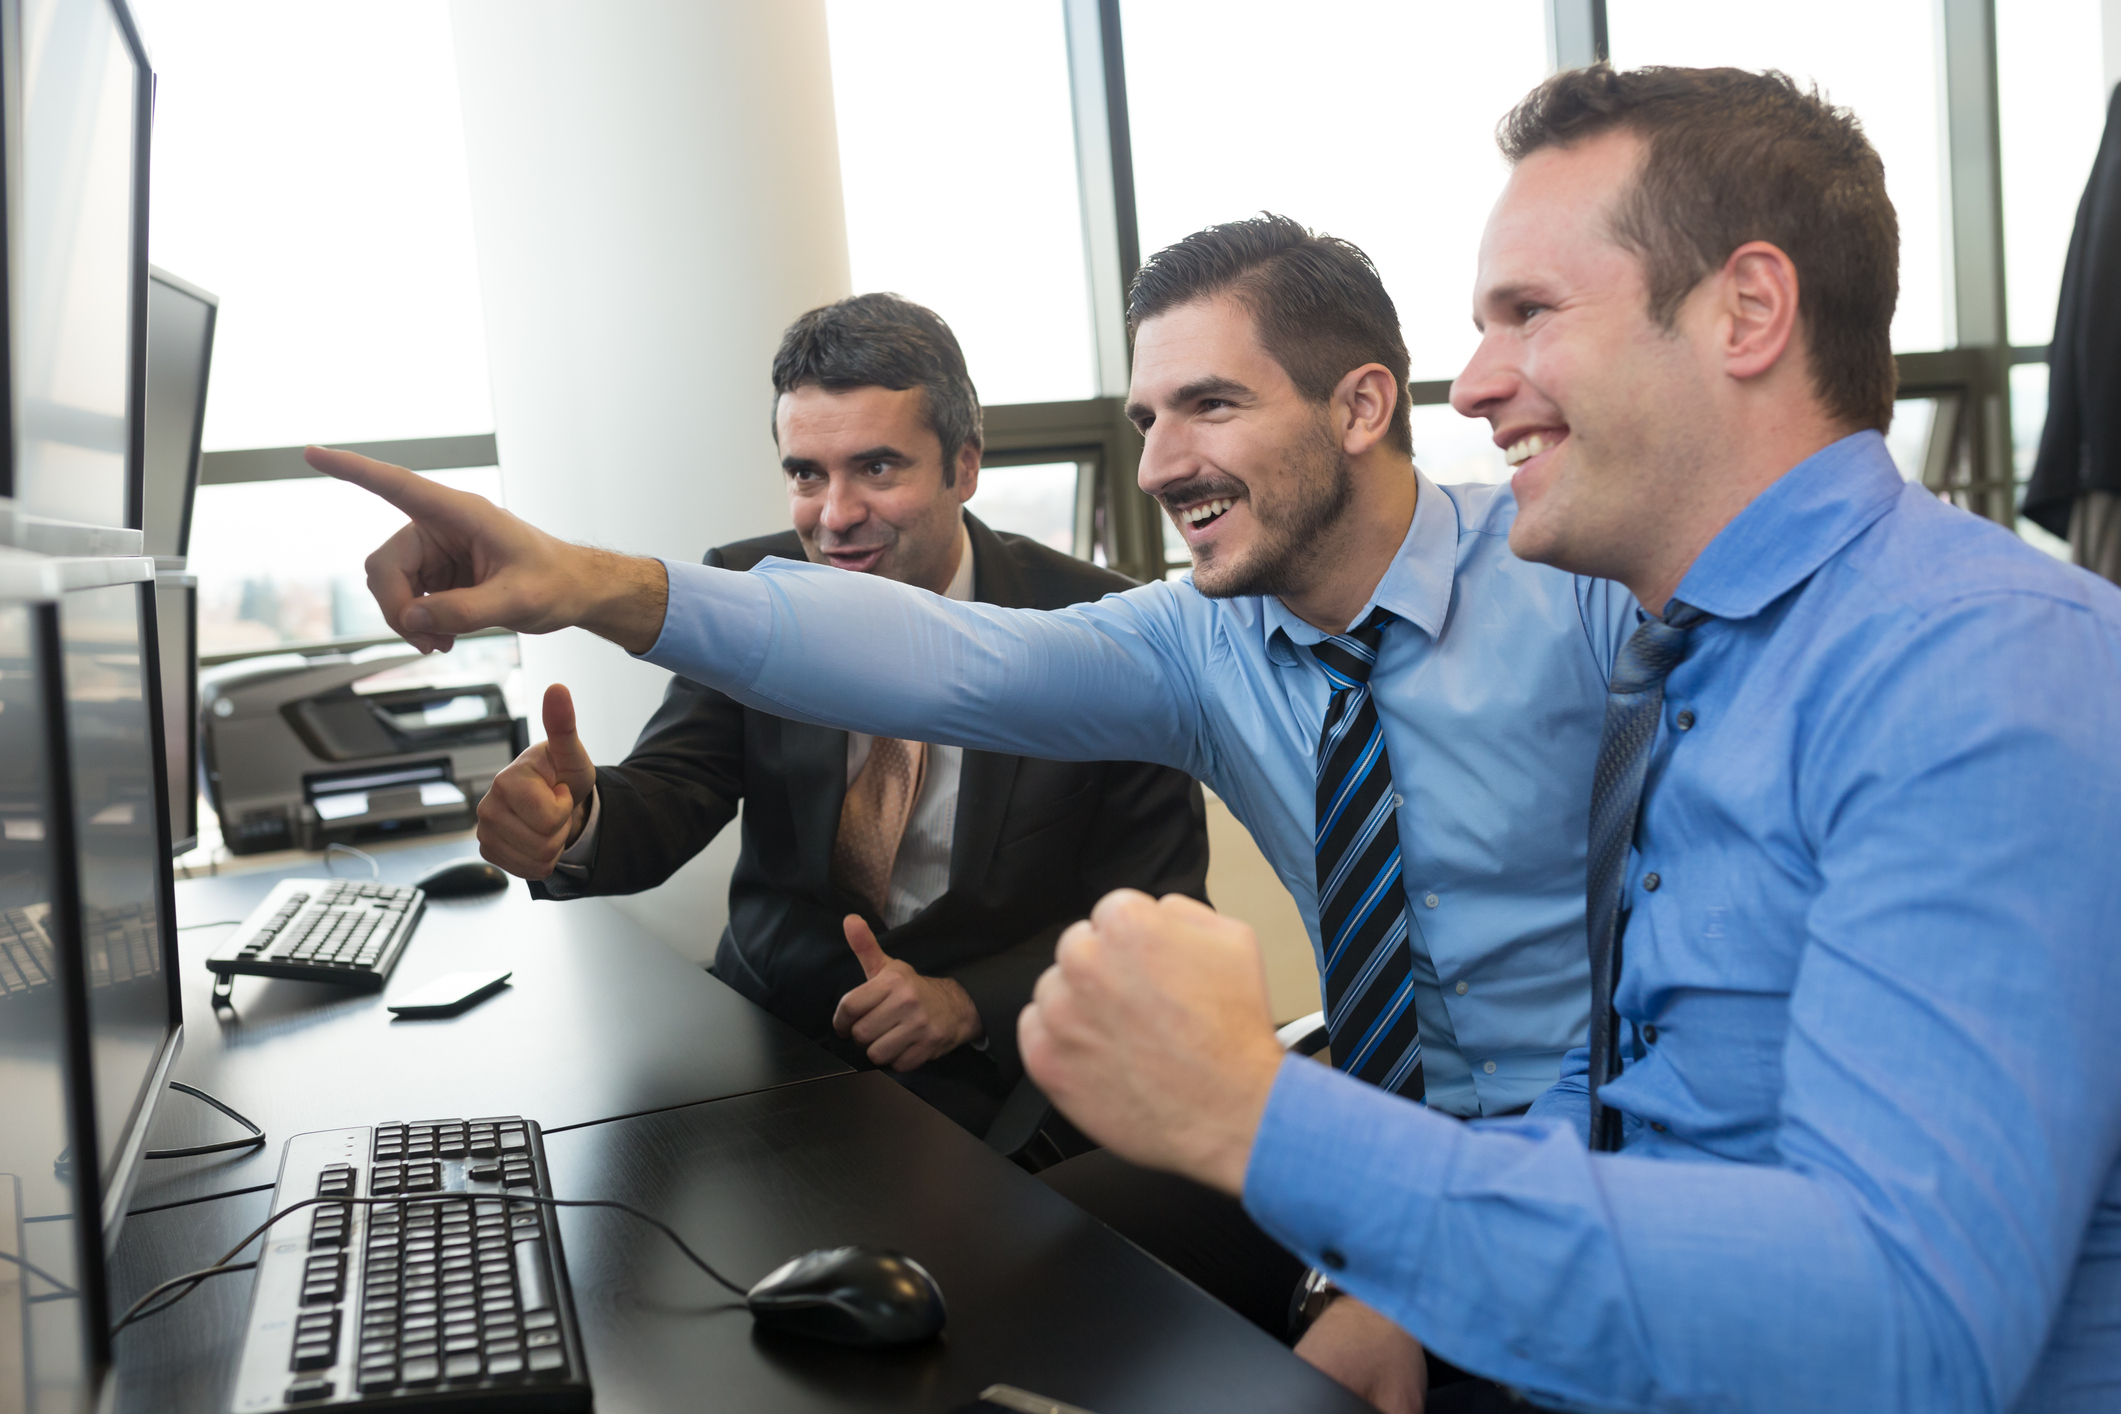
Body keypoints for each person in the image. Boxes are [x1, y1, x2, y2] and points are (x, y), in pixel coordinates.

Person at [307, 216, 1635, 1409]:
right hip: (1376, 1145)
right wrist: (582, 581)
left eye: (1210, 405)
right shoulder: (1203, 641)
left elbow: (1670, 1020)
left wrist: (1390, 1270)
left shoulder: (1579, 589)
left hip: (1591, 1174)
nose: (1164, 463)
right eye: (1145, 419)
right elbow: (936, 658)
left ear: (1360, 406)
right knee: (942, 1333)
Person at [1013, 66, 2121, 1413]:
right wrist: (1396, 1284)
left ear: (1746, 312)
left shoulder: (1982, 664)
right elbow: (1630, 1094)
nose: (1472, 386)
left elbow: (1914, 1339)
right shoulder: (1701, 652)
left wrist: (1258, 1114)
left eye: (1526, 314)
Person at [469, 292, 1208, 1140]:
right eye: (806, 474)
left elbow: (1160, 909)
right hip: (776, 1037)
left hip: (1001, 1062)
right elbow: (675, 790)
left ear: (963, 468)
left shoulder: (1099, 625)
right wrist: (574, 822)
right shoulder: (750, 592)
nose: (834, 516)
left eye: (877, 468)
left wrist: (970, 1003)